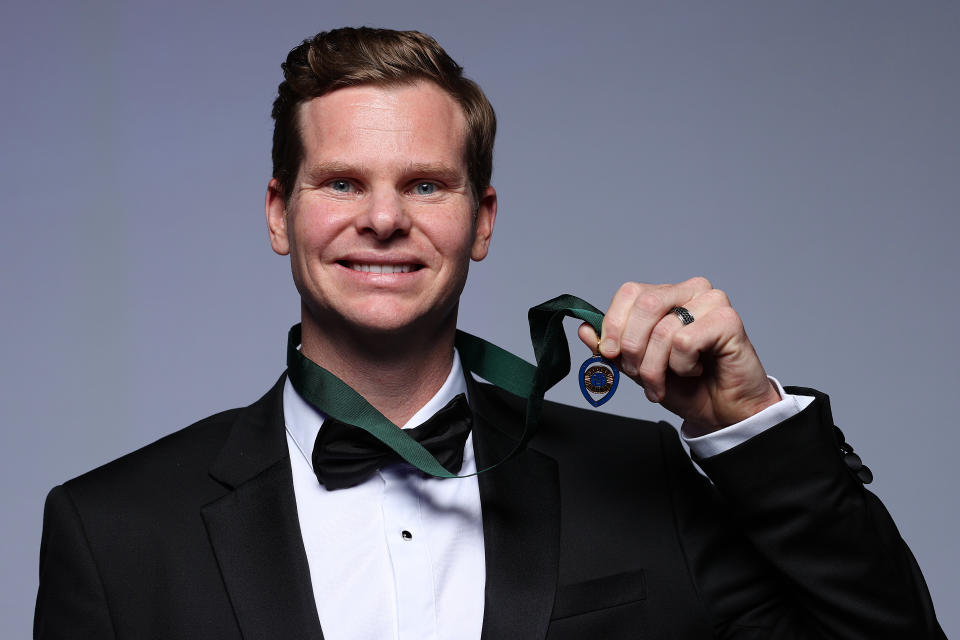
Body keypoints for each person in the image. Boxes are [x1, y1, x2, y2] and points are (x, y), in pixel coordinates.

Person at [34, 27, 944, 639]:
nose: (383, 219)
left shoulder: (649, 483)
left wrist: (745, 425)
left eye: (426, 184)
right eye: (342, 182)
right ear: (280, 212)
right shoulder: (113, 531)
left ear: (483, 219)